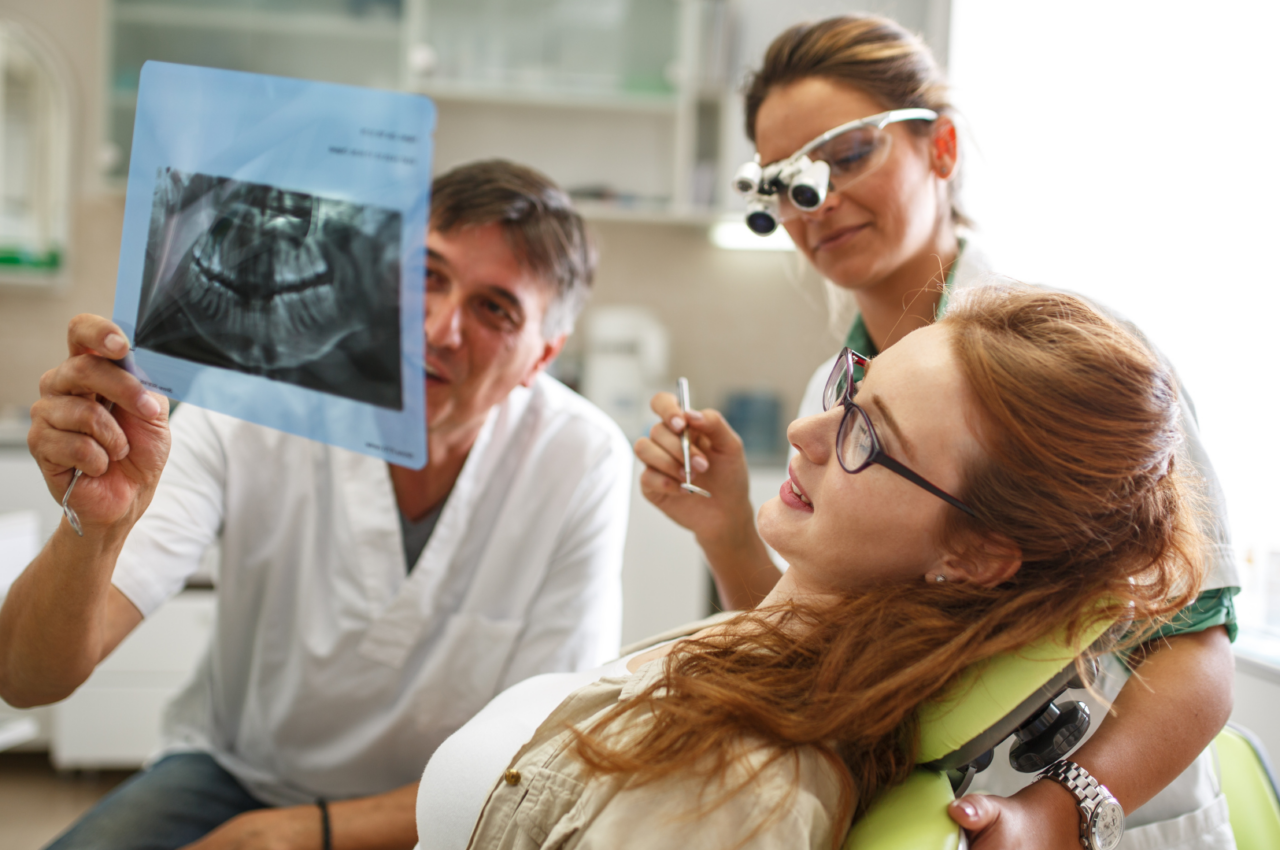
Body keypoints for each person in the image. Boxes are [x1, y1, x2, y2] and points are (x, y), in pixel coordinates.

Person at [634, 16, 1237, 850]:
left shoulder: (1074, 369)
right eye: (785, 179)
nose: (818, 199)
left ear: (941, 149)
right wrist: (730, 528)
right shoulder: (831, 394)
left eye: (846, 155)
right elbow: (820, 650)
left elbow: (1199, 651)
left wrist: (1055, 817)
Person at [415, 286, 1207, 849]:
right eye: (851, 387)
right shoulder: (782, 660)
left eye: (869, 438)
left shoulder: (742, 784)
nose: (805, 431)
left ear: (972, 553)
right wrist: (728, 533)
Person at [0, 160, 634, 850]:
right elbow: (26, 678)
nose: (438, 328)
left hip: (452, 812)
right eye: (426, 275)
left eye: (495, 309)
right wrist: (91, 528)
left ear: (543, 354)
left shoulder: (581, 458)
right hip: (238, 777)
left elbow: (540, 753)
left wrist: (300, 835)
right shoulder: (251, 400)